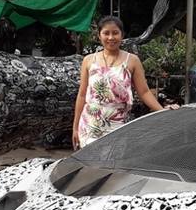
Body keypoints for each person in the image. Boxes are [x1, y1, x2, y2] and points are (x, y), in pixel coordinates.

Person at [72, 16, 176, 149]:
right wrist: (75, 127)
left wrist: (162, 112)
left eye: (115, 33)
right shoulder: (89, 60)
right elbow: (82, 95)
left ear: (122, 35)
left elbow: (144, 92)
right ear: (99, 35)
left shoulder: (132, 61)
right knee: (91, 167)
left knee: (114, 165)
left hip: (119, 125)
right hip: (90, 126)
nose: (111, 37)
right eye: (106, 33)